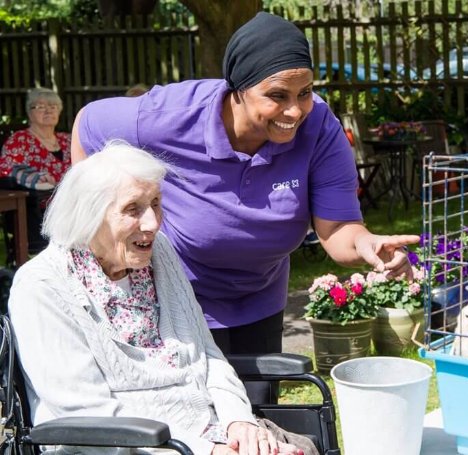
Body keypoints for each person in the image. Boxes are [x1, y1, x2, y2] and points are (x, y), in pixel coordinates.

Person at [69, 12, 419, 399]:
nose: (296, 111)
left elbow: (337, 231)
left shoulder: (319, 126)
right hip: (173, 298)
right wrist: (105, 235)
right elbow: (88, 125)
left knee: (258, 418)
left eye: (304, 92)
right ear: (236, 89)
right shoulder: (168, 117)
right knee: (194, 420)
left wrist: (366, 244)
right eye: (277, 96)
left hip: (259, 296)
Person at [8, 142, 314, 455]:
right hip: (122, 447)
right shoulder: (43, 286)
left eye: (156, 203)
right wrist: (204, 450)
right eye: (132, 209)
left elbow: (205, 354)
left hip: (210, 433)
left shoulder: (158, 253)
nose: (153, 223)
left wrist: (239, 423)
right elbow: (86, 412)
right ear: (89, 216)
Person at [1, 87, 71, 253]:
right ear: (29, 112)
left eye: (53, 106)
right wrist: (38, 178)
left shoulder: (68, 140)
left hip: (75, 203)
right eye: (40, 106)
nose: (48, 110)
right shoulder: (19, 140)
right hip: (41, 210)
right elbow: (6, 169)